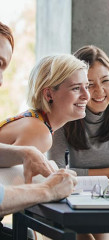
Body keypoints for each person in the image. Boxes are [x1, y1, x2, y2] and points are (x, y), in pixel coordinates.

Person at [48, 45, 109, 240]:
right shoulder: (64, 114)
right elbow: (57, 174)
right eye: (89, 84)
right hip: (70, 197)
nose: (99, 91)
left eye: (105, 81)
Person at [0, 21, 77, 239]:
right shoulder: (39, 131)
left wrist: (23, 153)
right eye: (76, 88)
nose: (88, 96)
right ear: (49, 94)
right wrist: (47, 189)